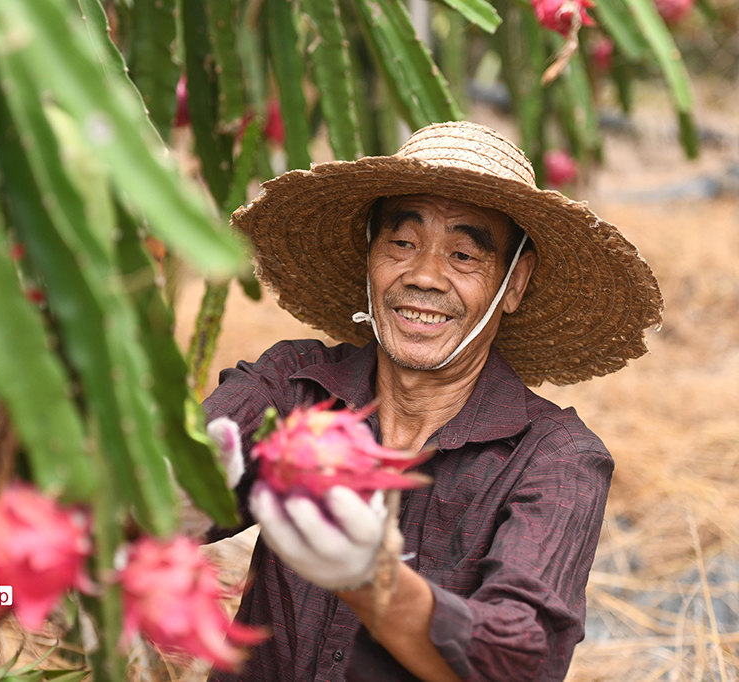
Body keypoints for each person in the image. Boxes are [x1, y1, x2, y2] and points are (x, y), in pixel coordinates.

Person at [201, 121, 663, 682]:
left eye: (464, 255)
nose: (423, 276)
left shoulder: (556, 460)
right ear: (369, 256)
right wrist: (181, 490)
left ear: (513, 283)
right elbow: (160, 493)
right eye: (402, 243)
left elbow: (522, 657)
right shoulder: (293, 384)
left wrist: (374, 584)